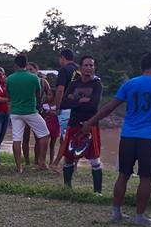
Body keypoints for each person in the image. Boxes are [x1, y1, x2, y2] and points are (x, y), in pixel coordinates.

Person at [80, 52, 151, 225]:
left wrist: (90, 122)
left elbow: (109, 107)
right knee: (145, 177)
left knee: (123, 175)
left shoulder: (130, 84)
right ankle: (140, 216)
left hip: (127, 136)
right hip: (148, 138)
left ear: (141, 68)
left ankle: (116, 212)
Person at [54, 55, 104, 194]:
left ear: (94, 67)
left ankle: (97, 193)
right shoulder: (74, 84)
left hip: (91, 125)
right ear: (80, 68)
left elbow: (93, 105)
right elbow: (64, 103)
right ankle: (67, 189)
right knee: (69, 157)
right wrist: (82, 100)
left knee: (94, 159)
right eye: (86, 65)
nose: (88, 68)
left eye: (91, 65)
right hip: (74, 123)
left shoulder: (97, 84)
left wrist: (74, 99)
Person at [6, 54, 50, 173]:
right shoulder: (34, 78)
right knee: (45, 134)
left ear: (15, 65)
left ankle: (19, 167)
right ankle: (41, 162)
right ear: (26, 64)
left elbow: (8, 95)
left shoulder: (9, 78)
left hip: (15, 112)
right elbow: (38, 94)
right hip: (30, 111)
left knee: (17, 139)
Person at [54, 48, 79, 139]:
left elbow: (60, 90)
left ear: (63, 58)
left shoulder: (64, 70)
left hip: (66, 107)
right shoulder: (79, 69)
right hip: (78, 107)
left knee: (65, 137)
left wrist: (58, 107)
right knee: (75, 136)